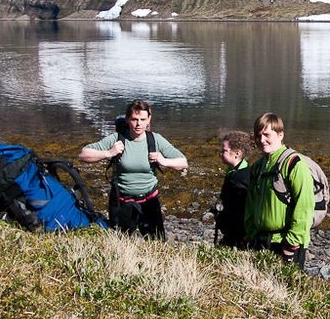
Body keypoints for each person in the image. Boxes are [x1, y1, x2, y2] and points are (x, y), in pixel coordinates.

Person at [78, 99, 187, 239]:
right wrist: (108, 153)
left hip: (150, 202)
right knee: (120, 244)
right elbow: (83, 154)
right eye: (134, 119)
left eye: (142, 119)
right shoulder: (117, 139)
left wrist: (164, 161)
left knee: (157, 244)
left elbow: (183, 162)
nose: (138, 124)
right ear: (128, 119)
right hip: (122, 202)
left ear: (149, 120)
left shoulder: (155, 140)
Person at [244, 112, 314, 268]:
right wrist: (251, 235)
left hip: (286, 244)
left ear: (280, 134)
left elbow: (305, 207)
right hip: (261, 242)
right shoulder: (257, 167)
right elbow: (250, 204)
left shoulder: (295, 164)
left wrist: (290, 245)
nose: (262, 140)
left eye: (267, 134)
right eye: (258, 135)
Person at [212, 130, 253, 248]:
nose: (221, 153)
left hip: (238, 230)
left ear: (237, 153)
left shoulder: (241, 177)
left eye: (224, 150)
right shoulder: (234, 170)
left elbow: (239, 207)